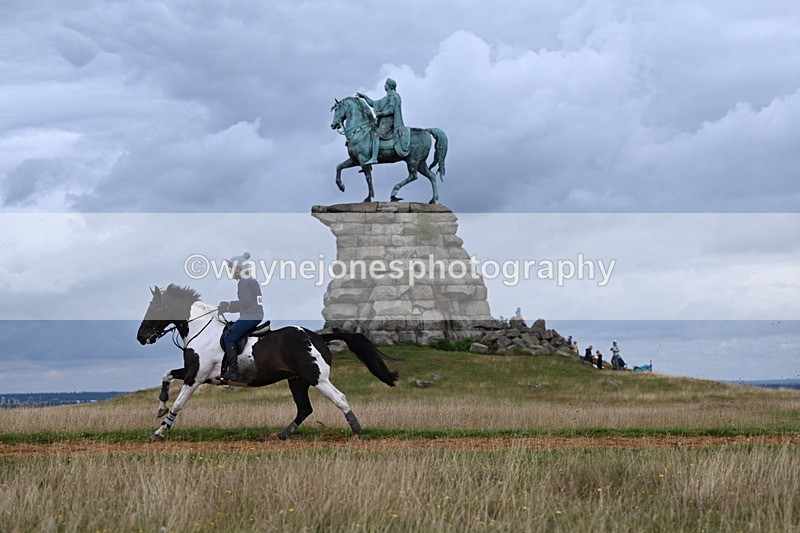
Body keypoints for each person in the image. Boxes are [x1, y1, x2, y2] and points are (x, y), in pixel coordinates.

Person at [217, 252, 264, 382]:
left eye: (231, 268)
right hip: (253, 314)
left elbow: (245, 303)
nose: (229, 271)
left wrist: (228, 305)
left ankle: (232, 372)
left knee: (229, 336)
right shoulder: (249, 280)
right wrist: (228, 307)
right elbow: (245, 304)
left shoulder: (243, 282)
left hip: (251, 315)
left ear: (238, 269)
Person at [356, 78, 411, 164]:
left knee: (375, 135)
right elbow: (373, 103)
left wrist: (380, 114)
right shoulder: (386, 98)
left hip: (389, 123)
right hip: (383, 122)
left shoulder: (394, 96)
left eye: (385, 84)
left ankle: (374, 158)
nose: (384, 86)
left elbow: (392, 110)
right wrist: (364, 97)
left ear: (389, 86)